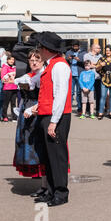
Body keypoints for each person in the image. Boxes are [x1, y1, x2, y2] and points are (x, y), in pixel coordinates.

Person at [33, 32, 72, 207]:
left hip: (56, 115)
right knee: (49, 156)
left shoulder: (59, 66)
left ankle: (60, 192)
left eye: (41, 47)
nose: (39, 50)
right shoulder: (52, 65)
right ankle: (51, 190)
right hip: (47, 114)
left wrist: (54, 121)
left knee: (57, 156)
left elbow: (61, 94)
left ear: (47, 49)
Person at [13, 49, 48, 196]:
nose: (33, 62)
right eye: (31, 60)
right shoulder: (30, 75)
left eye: (37, 60)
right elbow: (20, 80)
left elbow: (45, 98)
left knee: (41, 149)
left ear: (42, 61)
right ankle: (44, 185)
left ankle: (47, 186)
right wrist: (11, 79)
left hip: (38, 114)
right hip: (26, 115)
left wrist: (32, 108)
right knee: (32, 148)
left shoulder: (43, 75)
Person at [96, 45, 111, 120]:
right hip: (104, 79)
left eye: (109, 50)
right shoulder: (102, 59)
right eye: (106, 50)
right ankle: (100, 112)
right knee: (103, 96)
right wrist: (100, 65)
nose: (108, 52)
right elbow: (97, 69)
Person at [65, 40, 85, 115]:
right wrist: (68, 58)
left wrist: (79, 60)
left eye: (76, 46)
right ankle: (68, 108)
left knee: (79, 93)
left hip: (79, 74)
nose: (75, 47)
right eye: (74, 46)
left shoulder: (83, 53)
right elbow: (65, 61)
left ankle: (79, 109)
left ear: (79, 46)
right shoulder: (68, 52)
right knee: (71, 92)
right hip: (70, 75)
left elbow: (86, 62)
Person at [83, 43, 102, 114]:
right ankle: (88, 110)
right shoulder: (86, 55)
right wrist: (97, 65)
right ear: (93, 48)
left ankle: (98, 110)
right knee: (88, 94)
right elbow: (87, 65)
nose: (100, 49)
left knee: (98, 95)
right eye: (98, 48)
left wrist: (93, 65)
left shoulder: (100, 56)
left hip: (98, 77)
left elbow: (101, 65)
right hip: (89, 78)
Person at [0, 55, 18, 122]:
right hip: (7, 88)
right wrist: (9, 77)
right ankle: (4, 116)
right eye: (10, 59)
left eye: (13, 60)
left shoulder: (15, 68)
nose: (12, 61)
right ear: (7, 60)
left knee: (13, 104)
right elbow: (3, 78)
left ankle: (14, 117)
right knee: (6, 103)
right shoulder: (5, 67)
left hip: (14, 87)